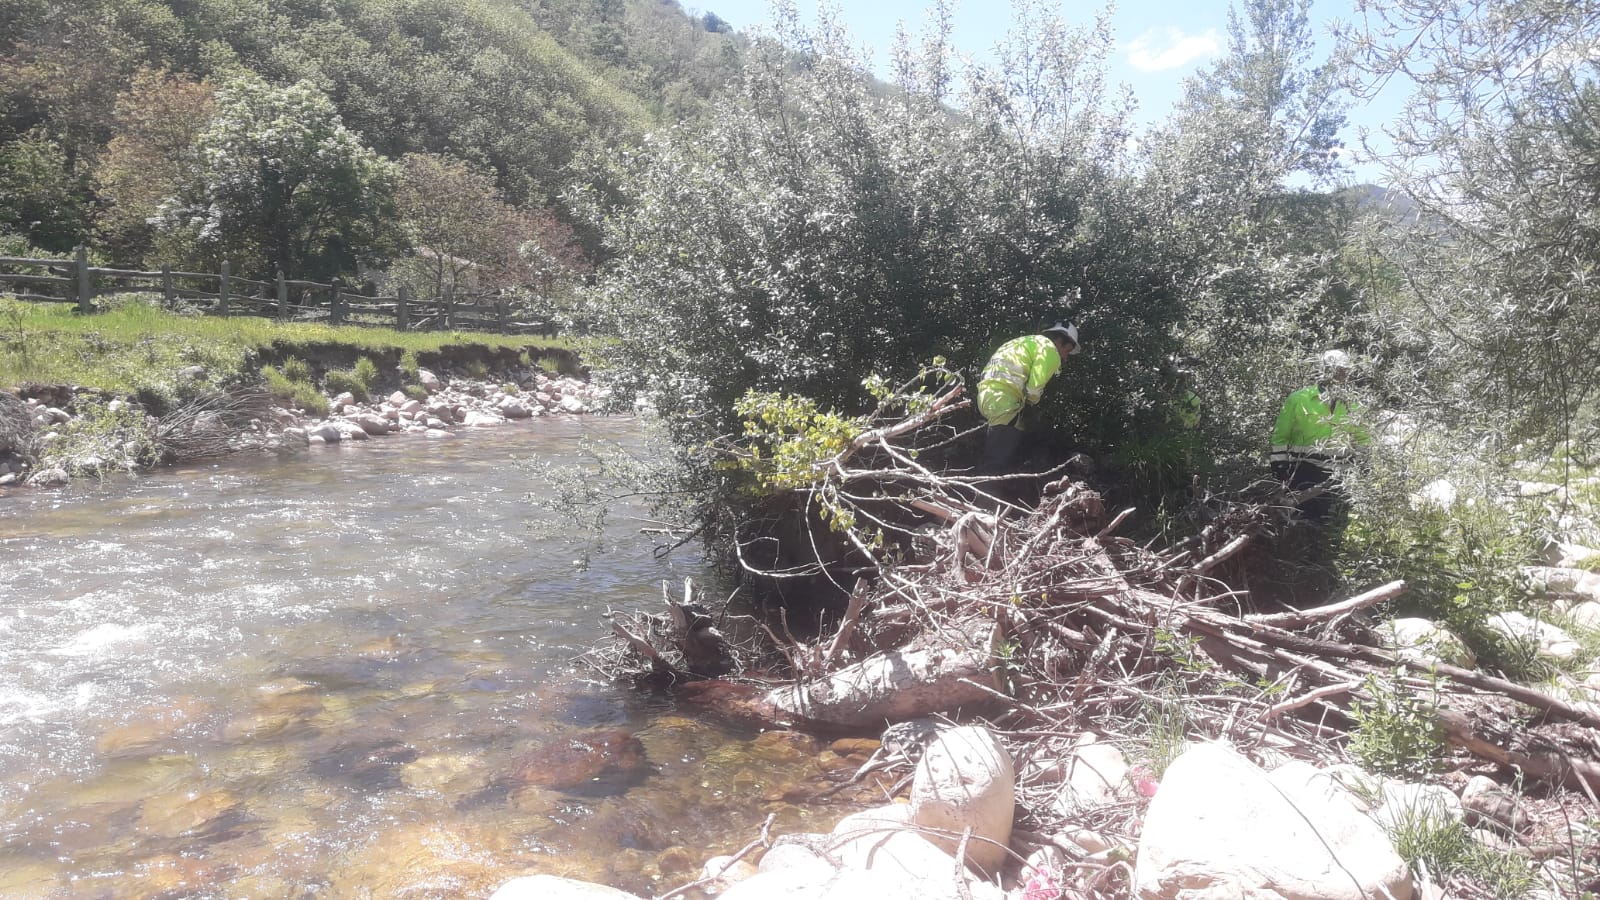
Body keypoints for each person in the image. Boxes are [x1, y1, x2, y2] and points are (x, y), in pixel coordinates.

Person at [1270, 349, 1370, 523]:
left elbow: (1363, 439)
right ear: (1324, 370)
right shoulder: (1298, 399)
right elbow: (1280, 436)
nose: (1342, 375)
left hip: (1341, 478)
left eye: (1344, 371)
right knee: (1303, 525)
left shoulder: (1355, 404)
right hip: (1304, 474)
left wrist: (1364, 466)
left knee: (1334, 525)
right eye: (1338, 370)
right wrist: (1279, 466)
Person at [976, 320, 1080, 476]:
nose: (1065, 358)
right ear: (1059, 341)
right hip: (1006, 400)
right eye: (1067, 350)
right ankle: (985, 489)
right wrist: (1032, 403)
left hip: (986, 396)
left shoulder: (1025, 342)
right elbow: (1034, 389)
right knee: (997, 460)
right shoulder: (1049, 349)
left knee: (1001, 444)